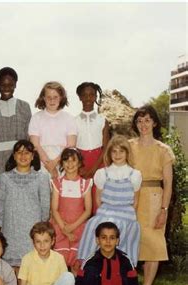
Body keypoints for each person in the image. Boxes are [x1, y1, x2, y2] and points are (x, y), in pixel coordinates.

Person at [129, 105, 175, 285]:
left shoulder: (163, 150)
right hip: (131, 198)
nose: (143, 125)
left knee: (153, 244)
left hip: (155, 199)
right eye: (139, 121)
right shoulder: (129, 146)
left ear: (154, 122)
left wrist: (164, 210)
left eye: (147, 120)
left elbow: (168, 183)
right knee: (130, 243)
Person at [78, 135, 141, 266]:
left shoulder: (134, 175)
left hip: (126, 216)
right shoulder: (102, 173)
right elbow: (98, 199)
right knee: (95, 226)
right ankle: (89, 266)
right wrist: (106, 214)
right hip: (106, 212)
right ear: (109, 153)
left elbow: (135, 201)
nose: (117, 154)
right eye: (114, 151)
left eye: (121, 151)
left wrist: (127, 217)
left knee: (118, 236)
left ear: (127, 153)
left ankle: (121, 272)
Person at [0, 140, 50, 269]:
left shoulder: (41, 178)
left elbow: (45, 205)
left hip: (32, 229)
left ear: (32, 156)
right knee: (12, 270)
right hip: (11, 229)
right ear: (14, 156)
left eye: (27, 153)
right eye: (19, 152)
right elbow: (0, 203)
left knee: (32, 268)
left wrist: (40, 228)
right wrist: (4, 224)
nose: (23, 156)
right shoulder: (4, 177)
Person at [0, 67, 32, 185]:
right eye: (3, 85)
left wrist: (28, 160)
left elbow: (29, 137)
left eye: (10, 85)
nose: (6, 88)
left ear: (15, 85)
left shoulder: (24, 106)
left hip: (21, 159)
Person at [50, 148, 92, 271]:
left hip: (78, 225)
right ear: (62, 163)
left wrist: (72, 227)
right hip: (60, 225)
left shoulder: (85, 184)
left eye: (73, 161)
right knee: (60, 261)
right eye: (66, 161)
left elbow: (88, 210)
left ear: (79, 163)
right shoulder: (58, 183)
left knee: (76, 262)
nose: (70, 164)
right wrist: (64, 229)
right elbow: (54, 209)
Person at [29, 81, 77, 178]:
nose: (52, 100)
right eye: (49, 97)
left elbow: (71, 145)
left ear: (61, 97)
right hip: (43, 160)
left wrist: (55, 163)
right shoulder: (36, 118)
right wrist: (49, 166)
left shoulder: (69, 118)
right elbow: (35, 145)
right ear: (43, 98)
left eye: (55, 97)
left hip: (64, 160)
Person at [75, 82, 109, 214]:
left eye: (91, 95)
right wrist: (80, 167)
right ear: (80, 97)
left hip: (99, 161)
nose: (88, 98)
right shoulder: (74, 121)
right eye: (85, 95)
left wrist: (95, 168)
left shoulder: (103, 120)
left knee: (98, 200)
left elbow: (106, 147)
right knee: (82, 200)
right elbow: (73, 146)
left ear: (95, 97)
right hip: (80, 163)